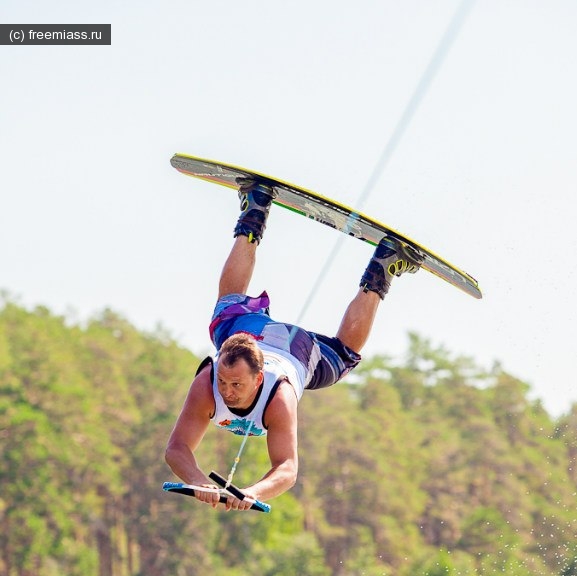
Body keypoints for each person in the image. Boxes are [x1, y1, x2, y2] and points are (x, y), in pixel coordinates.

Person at [165, 182, 420, 510]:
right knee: (226, 308)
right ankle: (255, 207)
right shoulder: (208, 382)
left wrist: (253, 492)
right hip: (247, 332)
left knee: (344, 355)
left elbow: (287, 467)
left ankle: (384, 268)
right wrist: (198, 481)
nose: (226, 391)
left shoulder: (278, 397)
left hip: (296, 348)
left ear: (258, 379)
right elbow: (176, 448)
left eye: (236, 384)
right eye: (224, 382)